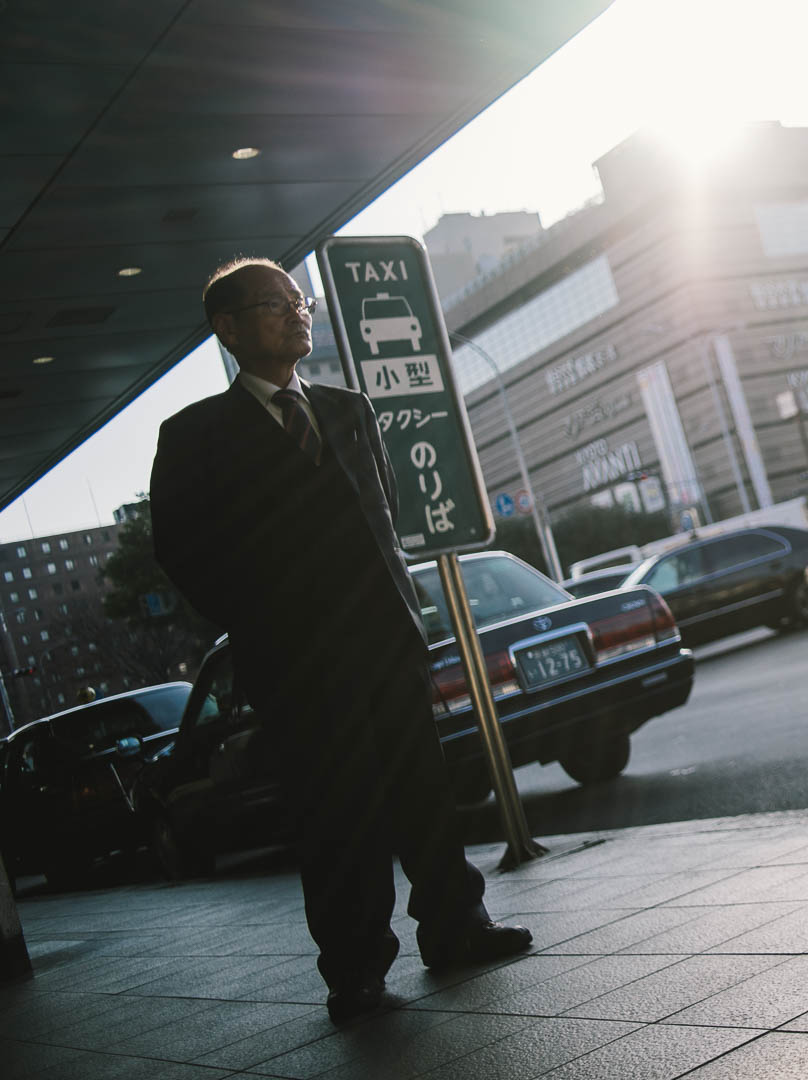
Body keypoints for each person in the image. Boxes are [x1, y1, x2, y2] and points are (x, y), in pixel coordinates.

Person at [149, 258, 530, 1024]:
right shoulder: (194, 435)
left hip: (387, 642)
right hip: (297, 663)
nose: (298, 315)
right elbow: (182, 551)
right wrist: (263, 619)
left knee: (425, 795)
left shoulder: (348, 408)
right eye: (276, 305)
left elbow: (381, 518)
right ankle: (355, 969)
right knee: (336, 816)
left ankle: (457, 927)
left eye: (302, 302)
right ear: (227, 329)